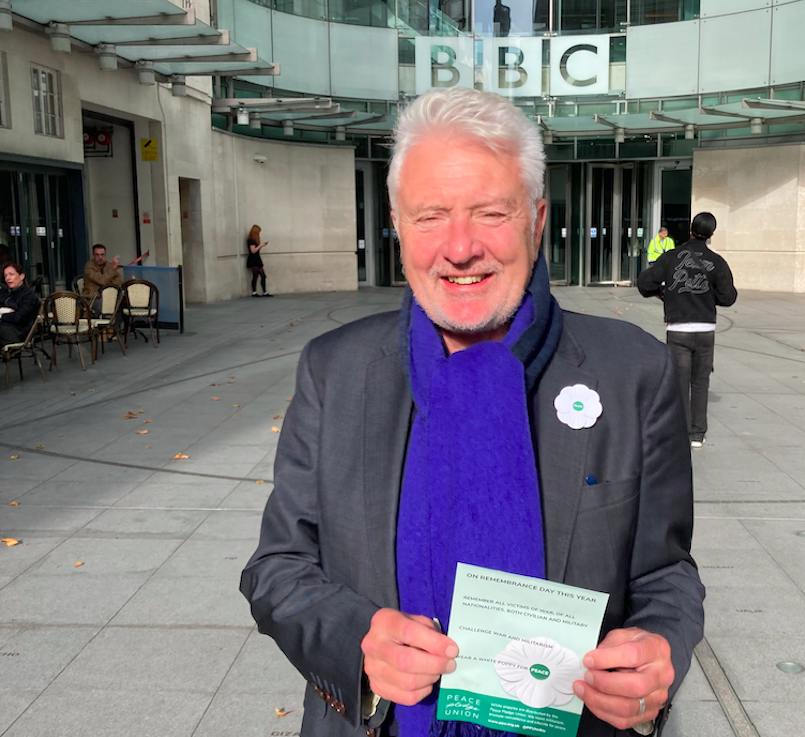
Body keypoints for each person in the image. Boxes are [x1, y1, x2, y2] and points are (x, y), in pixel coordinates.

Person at [241, 88, 704, 737]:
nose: (458, 248)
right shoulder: (335, 370)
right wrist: (359, 642)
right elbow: (277, 567)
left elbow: (665, 572)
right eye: (429, 215)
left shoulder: (632, 372)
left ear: (536, 220)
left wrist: (660, 649)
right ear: (397, 223)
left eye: (489, 212)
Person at [637, 213, 737, 450]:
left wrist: (662, 292)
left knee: (679, 381)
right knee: (700, 382)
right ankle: (697, 434)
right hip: (705, 329)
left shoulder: (671, 257)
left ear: (690, 228)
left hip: (678, 328)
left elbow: (644, 283)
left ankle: (680, 431)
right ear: (711, 234)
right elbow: (728, 297)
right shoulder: (717, 262)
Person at [0, 263, 40, 348]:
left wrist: (1, 315)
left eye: (11, 274)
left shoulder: (28, 296)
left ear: (21, 276)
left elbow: (19, 317)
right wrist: (8, 312)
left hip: (18, 333)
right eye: (5, 276)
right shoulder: (4, 293)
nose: (8, 278)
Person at [247, 225, 273, 297]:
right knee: (255, 275)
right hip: (253, 259)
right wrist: (260, 245)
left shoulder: (255, 240)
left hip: (257, 259)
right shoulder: (251, 240)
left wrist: (261, 245)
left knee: (263, 276)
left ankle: (264, 292)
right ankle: (254, 292)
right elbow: (253, 250)